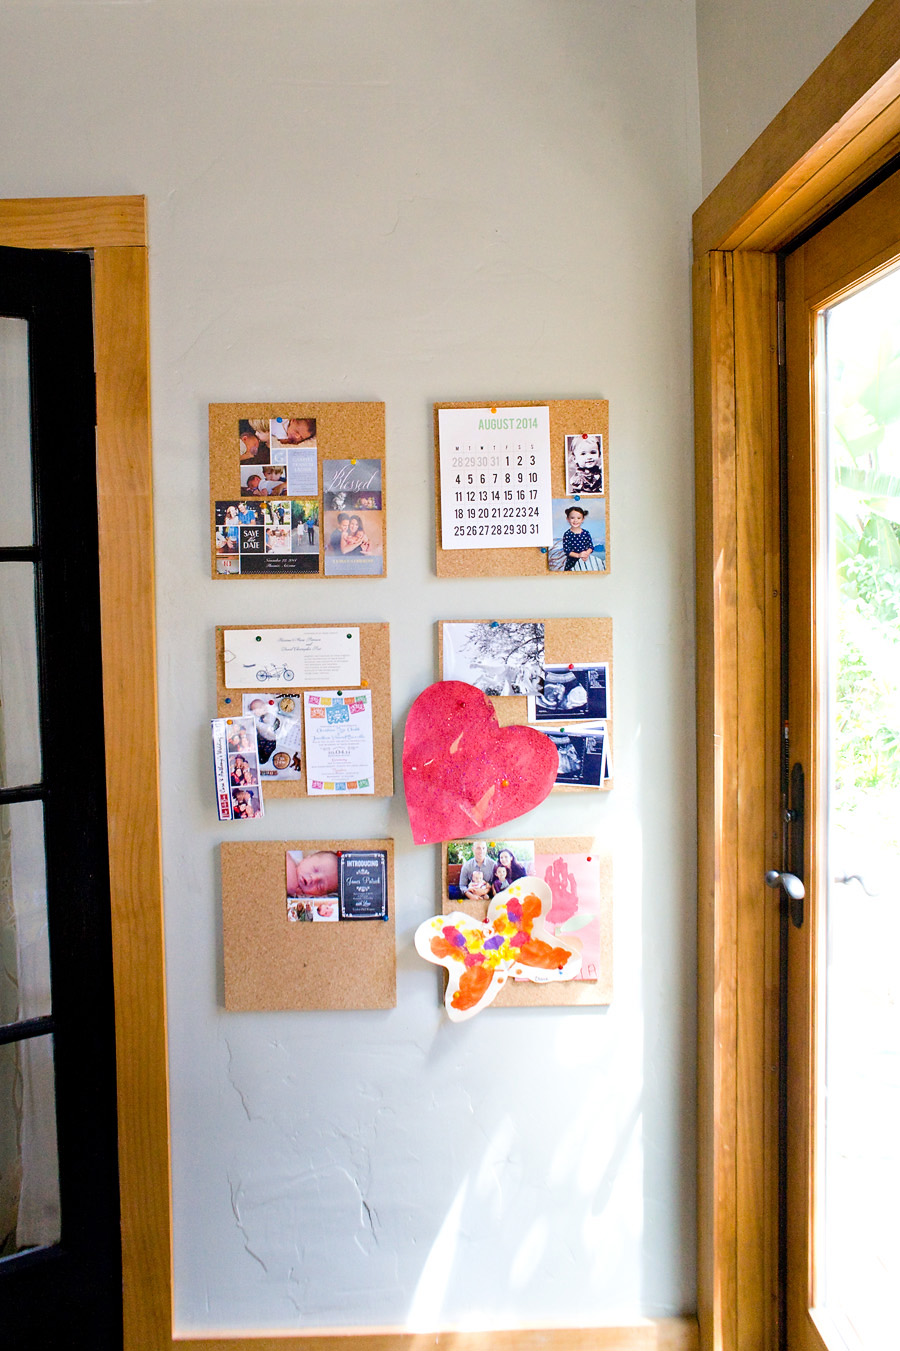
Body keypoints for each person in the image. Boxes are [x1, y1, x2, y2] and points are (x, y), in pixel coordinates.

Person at [561, 505, 593, 570]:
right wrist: (578, 555)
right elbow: (567, 550)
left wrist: (586, 554)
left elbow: (591, 546)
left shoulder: (586, 533)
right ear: (568, 519)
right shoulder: (567, 534)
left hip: (585, 561)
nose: (575, 520)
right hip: (571, 563)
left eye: (578, 518)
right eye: (572, 518)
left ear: (582, 519)